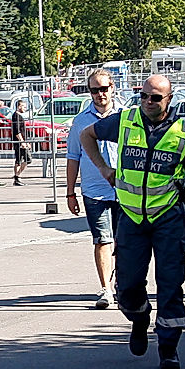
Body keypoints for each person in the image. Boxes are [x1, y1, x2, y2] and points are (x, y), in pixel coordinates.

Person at [80, 75, 185, 369]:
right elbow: (86, 136)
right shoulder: (124, 121)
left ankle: (168, 346)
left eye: (156, 98)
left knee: (170, 282)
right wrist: (103, 168)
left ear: (169, 99)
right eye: (144, 96)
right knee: (127, 286)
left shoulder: (183, 132)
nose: (148, 102)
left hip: (167, 216)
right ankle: (139, 318)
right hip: (131, 218)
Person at [66, 69, 120, 310]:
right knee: (102, 239)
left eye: (104, 89)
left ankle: (122, 283)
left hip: (125, 189)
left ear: (112, 88)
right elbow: (72, 156)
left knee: (126, 241)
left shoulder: (126, 115)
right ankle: (106, 288)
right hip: (94, 190)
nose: (100, 94)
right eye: (95, 90)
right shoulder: (81, 121)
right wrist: (70, 192)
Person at [11, 99, 31, 186]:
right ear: (19, 106)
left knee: (22, 159)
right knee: (25, 159)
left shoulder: (19, 116)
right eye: (24, 106)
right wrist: (22, 142)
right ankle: (17, 176)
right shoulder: (16, 116)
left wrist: (26, 141)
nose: (25, 108)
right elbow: (17, 131)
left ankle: (17, 177)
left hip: (22, 141)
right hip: (19, 142)